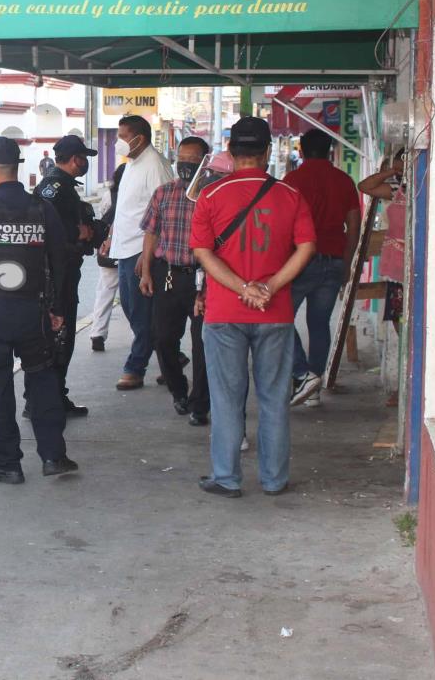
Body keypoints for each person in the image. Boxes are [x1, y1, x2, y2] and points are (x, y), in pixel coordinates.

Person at [190, 117, 316, 498]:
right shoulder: (290, 196)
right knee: (274, 398)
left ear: (230, 153)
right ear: (267, 152)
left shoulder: (210, 196)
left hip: (224, 313)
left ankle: (227, 478)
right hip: (275, 313)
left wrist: (242, 288)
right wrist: (270, 287)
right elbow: (307, 247)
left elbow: (202, 252)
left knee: (227, 399)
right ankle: (275, 479)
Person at [0, 136, 78, 484]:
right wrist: (57, 307)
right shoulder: (42, 208)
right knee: (42, 382)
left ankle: (6, 463)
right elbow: (60, 260)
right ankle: (54, 456)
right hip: (34, 312)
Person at [283, 129, 363, 407]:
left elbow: (282, 226)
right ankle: (313, 387)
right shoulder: (344, 181)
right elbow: (354, 226)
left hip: (298, 261)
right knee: (319, 324)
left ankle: (303, 374)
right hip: (333, 260)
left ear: (302, 151)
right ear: (330, 150)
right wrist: (348, 261)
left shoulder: (293, 180)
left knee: (280, 320)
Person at [139, 136, 211, 425]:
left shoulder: (212, 194)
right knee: (163, 338)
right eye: (183, 158)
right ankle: (178, 391)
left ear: (205, 162)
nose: (186, 164)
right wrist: (145, 270)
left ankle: (200, 405)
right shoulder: (163, 193)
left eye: (193, 160)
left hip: (202, 278)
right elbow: (151, 234)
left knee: (202, 343)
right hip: (167, 275)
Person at [109, 114, 174, 389]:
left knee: (141, 312)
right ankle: (172, 356)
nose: (118, 143)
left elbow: (165, 213)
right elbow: (126, 207)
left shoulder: (155, 165)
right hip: (123, 247)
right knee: (131, 308)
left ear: (140, 138)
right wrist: (110, 235)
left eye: (123, 137)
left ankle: (136, 366)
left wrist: (148, 258)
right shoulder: (132, 163)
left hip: (140, 249)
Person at [35, 134, 98, 417]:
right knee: (60, 338)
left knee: (57, 338)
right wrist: (79, 232)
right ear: (76, 159)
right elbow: (49, 229)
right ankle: (49, 400)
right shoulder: (55, 187)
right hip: (57, 275)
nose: (85, 163)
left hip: (62, 272)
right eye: (84, 158)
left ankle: (49, 397)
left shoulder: (58, 185)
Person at [359, 150, 407, 332]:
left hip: (420, 259)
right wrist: (391, 172)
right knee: (398, 312)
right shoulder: (396, 188)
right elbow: (364, 186)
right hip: (396, 262)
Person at [89, 162, 125, 352]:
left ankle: (97, 333)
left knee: (105, 291)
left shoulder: (109, 196)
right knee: (135, 297)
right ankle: (143, 336)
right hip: (132, 249)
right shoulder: (137, 197)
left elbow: (104, 217)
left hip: (108, 251)